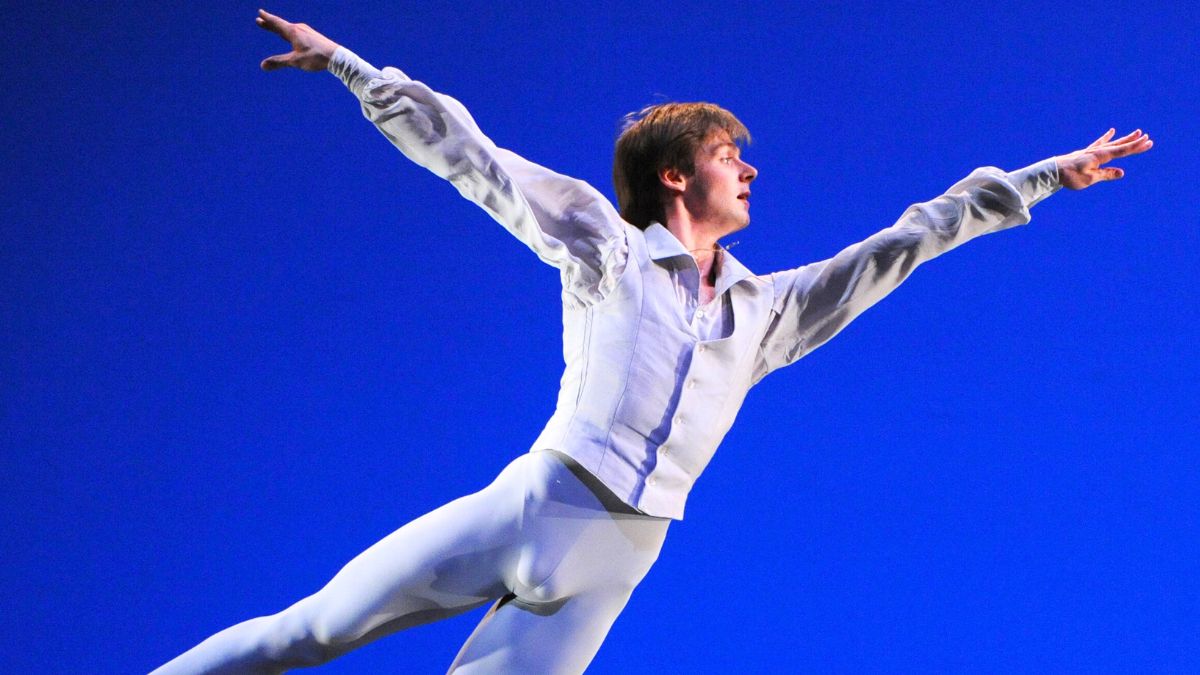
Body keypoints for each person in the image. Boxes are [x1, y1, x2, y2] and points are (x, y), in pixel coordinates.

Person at [153, 9, 1153, 674]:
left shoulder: (766, 314)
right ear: (678, 177)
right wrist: (350, 68)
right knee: (314, 629)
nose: (749, 173)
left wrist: (1044, 177)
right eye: (729, 158)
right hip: (532, 503)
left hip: (617, 560)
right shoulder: (606, 249)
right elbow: (477, 161)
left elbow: (910, 240)